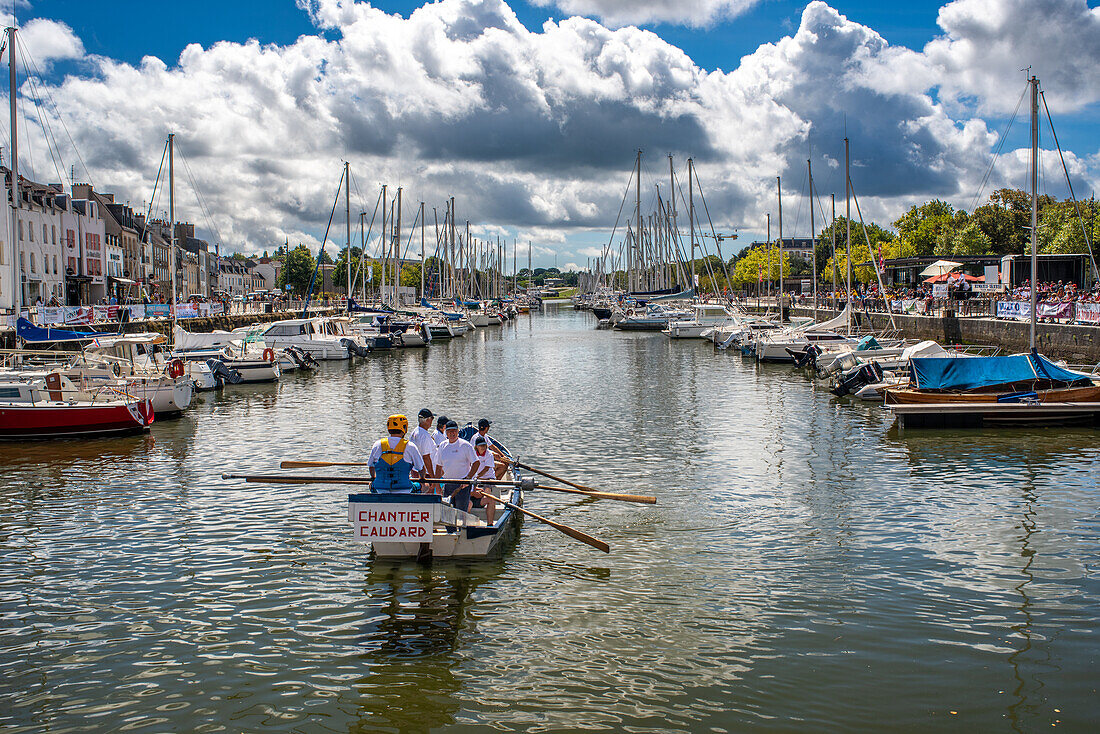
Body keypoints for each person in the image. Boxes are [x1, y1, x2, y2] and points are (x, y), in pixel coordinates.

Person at [367, 414, 426, 493]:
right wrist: (422, 478)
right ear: (404, 428)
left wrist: (373, 478)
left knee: (371, 483)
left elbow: (371, 467)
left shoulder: (377, 444)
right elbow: (421, 469)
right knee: (426, 485)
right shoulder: (410, 446)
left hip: (380, 489)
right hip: (405, 489)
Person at [436, 419, 479, 515]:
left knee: (461, 511)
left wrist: (468, 478)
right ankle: (451, 530)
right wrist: (437, 484)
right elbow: (438, 467)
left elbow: (476, 463)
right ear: (446, 432)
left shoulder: (465, 445)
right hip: (447, 483)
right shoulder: (442, 446)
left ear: (458, 431)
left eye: (454, 431)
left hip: (462, 484)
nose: (452, 433)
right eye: (450, 431)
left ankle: (460, 529)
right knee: (447, 512)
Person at [408, 408, 440, 491]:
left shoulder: (415, 432)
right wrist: (433, 479)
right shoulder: (424, 435)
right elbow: (426, 457)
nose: (432, 421)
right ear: (427, 420)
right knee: (428, 496)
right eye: (432, 418)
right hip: (425, 474)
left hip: (416, 470)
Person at [470, 434, 497, 524]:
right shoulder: (472, 454)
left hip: (487, 477)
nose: (483, 447)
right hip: (475, 478)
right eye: (481, 446)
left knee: (488, 490)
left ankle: (490, 524)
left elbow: (486, 468)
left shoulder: (489, 454)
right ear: (476, 446)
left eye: (484, 445)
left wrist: (477, 476)